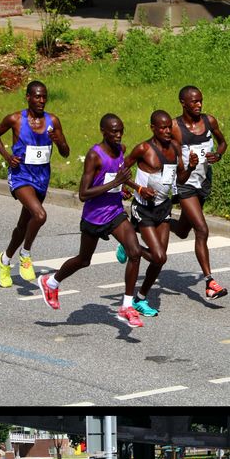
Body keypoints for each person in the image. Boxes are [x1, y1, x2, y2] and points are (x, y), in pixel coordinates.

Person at [37, 113, 147, 327]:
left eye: (120, 131)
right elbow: (83, 194)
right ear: (103, 132)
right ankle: (51, 281)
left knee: (134, 252)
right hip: (94, 217)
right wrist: (115, 182)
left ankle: (126, 305)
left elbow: (116, 177)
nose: (118, 135)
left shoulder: (121, 150)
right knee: (83, 260)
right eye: (113, 131)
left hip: (114, 212)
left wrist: (122, 188)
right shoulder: (94, 156)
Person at [0, 81, 71, 288]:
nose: (41, 101)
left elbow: (65, 152)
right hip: (20, 176)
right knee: (40, 215)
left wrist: (59, 139)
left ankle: (5, 260)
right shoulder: (15, 119)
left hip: (41, 178)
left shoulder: (52, 121)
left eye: (44, 97)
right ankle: (25, 255)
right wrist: (8, 157)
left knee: (22, 226)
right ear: (28, 97)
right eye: (37, 96)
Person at [115, 109, 186, 316]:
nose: (166, 131)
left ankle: (141, 298)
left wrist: (189, 167)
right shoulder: (144, 149)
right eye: (162, 127)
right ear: (152, 128)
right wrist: (136, 188)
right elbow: (121, 170)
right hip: (143, 209)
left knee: (160, 259)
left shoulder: (175, 147)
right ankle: (129, 245)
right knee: (158, 255)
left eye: (168, 127)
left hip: (163, 207)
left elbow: (180, 178)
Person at [169, 85, 229, 299]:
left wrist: (218, 155)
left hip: (203, 181)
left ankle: (143, 225)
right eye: (194, 101)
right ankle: (209, 282)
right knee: (202, 229)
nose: (199, 105)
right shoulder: (175, 127)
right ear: (183, 103)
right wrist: (188, 166)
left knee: (184, 231)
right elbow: (171, 159)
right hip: (185, 182)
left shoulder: (209, 121)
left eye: (200, 101)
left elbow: (223, 143)